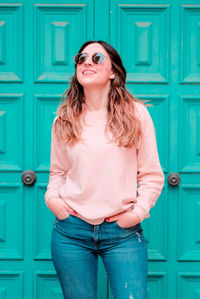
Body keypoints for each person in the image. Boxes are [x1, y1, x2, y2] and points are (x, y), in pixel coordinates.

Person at [44, 40, 165, 299]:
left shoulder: (137, 114)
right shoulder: (63, 119)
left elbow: (152, 175)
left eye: (97, 58)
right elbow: (58, 172)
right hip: (71, 231)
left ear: (113, 71)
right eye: (82, 57)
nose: (87, 61)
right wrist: (51, 198)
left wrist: (137, 213)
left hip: (121, 232)